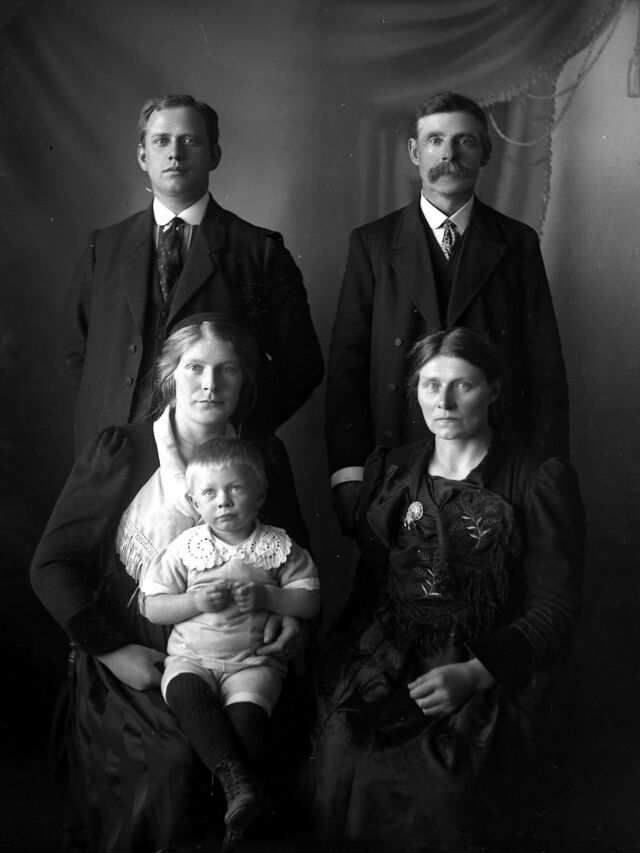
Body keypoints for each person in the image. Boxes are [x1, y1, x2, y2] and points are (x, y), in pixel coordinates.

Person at [31, 315, 311, 853]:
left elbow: (293, 555)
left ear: (244, 381)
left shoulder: (263, 455)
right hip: (140, 646)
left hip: (243, 646)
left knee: (261, 744)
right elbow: (52, 564)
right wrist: (114, 653)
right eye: (195, 368)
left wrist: (288, 618)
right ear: (169, 375)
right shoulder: (123, 449)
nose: (210, 385)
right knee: (178, 765)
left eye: (227, 370)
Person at [312, 328, 583, 852]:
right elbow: (372, 585)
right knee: (343, 754)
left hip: (491, 664)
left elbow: (555, 608)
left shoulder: (537, 480)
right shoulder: (395, 470)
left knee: (444, 788)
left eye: (464, 385)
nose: (444, 402)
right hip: (393, 655)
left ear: (494, 389)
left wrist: (475, 673)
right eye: (431, 385)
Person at [326, 91, 569, 536]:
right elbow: (348, 367)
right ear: (414, 152)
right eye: (435, 140)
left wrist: (548, 474)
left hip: (497, 463)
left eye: (465, 141)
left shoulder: (516, 242)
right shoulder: (373, 243)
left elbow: (545, 366)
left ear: (486, 152)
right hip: (395, 459)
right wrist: (348, 473)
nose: (449, 154)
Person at [61, 93, 323, 454]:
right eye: (161, 141)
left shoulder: (258, 250)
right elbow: (75, 355)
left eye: (190, 141)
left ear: (214, 155)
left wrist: (235, 425)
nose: (175, 153)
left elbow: (302, 366)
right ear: (142, 156)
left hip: (217, 462)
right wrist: (106, 421)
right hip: (117, 455)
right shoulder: (103, 247)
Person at [141, 436, 320, 846]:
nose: (223, 502)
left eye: (235, 488)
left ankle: (243, 821)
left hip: (253, 663)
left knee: (247, 722)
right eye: (209, 493)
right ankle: (235, 781)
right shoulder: (186, 548)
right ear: (194, 501)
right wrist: (193, 602)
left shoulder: (279, 547)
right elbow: (152, 606)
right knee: (183, 690)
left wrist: (268, 597)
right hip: (192, 658)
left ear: (259, 495)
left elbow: (309, 601)